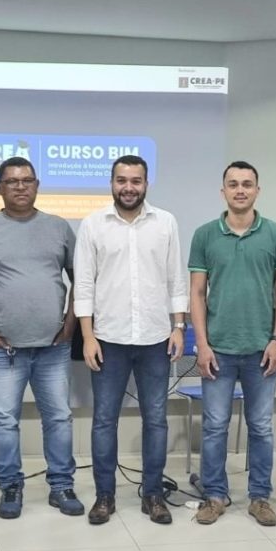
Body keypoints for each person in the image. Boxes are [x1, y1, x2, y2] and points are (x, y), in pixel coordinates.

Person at [0, 157, 80, 519]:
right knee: (4, 422)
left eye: (27, 180)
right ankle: (10, 485)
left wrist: (70, 324)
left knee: (59, 418)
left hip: (53, 348)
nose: (20, 187)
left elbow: (81, 279)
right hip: (3, 350)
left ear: (37, 185)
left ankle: (61, 485)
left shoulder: (58, 227)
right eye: (11, 181)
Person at [73, 155, 188, 526]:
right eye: (121, 180)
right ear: (111, 183)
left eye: (135, 181)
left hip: (155, 339)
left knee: (156, 420)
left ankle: (153, 494)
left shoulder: (166, 222)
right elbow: (84, 285)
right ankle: (104, 495)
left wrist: (179, 326)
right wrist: (87, 336)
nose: (128, 187)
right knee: (104, 421)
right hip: (108, 339)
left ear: (146, 184)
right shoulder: (93, 225)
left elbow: (176, 279)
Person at [189, 161, 276, 527]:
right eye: (233, 184)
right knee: (215, 426)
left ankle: (260, 497)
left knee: (261, 427)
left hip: (261, 351)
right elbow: (197, 293)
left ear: (257, 191)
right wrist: (202, 345)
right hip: (217, 350)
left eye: (247, 184)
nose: (240, 190)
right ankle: (214, 496)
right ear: (223, 191)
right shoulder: (204, 235)